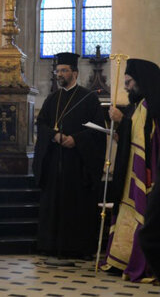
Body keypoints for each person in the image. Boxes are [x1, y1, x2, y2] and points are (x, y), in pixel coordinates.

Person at [33, 52, 106, 265]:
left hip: (78, 164)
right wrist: (54, 136)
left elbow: (99, 130)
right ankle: (49, 245)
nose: (60, 74)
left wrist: (77, 140)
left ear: (75, 73)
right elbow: (42, 124)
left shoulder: (88, 98)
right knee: (53, 202)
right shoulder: (52, 98)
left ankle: (79, 247)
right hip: (55, 160)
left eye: (64, 71)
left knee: (77, 204)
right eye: (58, 71)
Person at [103, 58, 160, 282]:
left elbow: (146, 142)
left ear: (141, 81)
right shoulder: (140, 105)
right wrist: (120, 131)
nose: (126, 87)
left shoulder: (148, 106)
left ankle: (141, 262)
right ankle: (123, 258)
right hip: (130, 175)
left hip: (144, 176)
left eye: (128, 82)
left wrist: (121, 121)